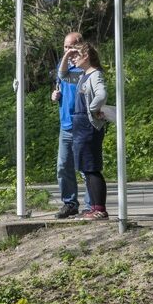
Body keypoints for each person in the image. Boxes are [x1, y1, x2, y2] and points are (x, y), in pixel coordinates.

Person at [62, 42, 109, 220]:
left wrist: (93, 108)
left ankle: (100, 209)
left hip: (88, 126)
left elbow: (101, 94)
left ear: (86, 56)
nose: (73, 58)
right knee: (85, 167)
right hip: (80, 125)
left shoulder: (95, 75)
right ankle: (94, 208)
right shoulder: (83, 75)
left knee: (91, 167)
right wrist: (67, 56)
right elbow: (63, 75)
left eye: (76, 55)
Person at [52, 32, 90, 219]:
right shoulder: (62, 64)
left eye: (71, 47)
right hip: (65, 123)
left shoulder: (85, 66)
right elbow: (60, 84)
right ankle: (70, 203)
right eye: (65, 47)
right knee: (63, 166)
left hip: (82, 123)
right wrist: (55, 94)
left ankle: (91, 205)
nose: (67, 51)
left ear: (80, 45)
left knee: (86, 167)